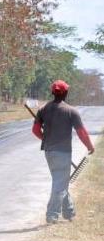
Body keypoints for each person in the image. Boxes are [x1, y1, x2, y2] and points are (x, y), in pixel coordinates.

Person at [31, 80, 95, 224]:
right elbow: (82, 133)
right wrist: (90, 147)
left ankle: (69, 212)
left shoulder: (43, 110)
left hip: (49, 152)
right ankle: (52, 215)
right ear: (66, 93)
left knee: (60, 181)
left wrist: (45, 139)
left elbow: (35, 130)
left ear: (52, 92)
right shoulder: (71, 111)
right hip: (63, 152)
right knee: (60, 183)